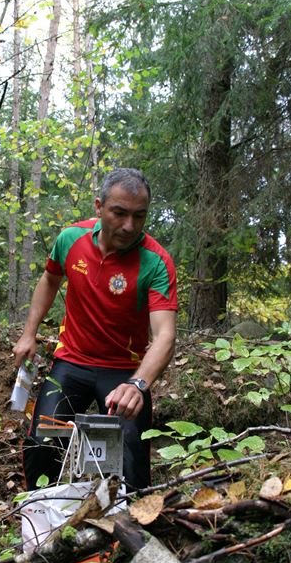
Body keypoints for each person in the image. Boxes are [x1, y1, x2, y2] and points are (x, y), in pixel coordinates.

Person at [13, 168, 177, 491]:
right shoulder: (70, 239)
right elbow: (49, 278)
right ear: (99, 207)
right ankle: (40, 524)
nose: (129, 226)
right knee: (42, 441)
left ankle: (129, 530)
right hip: (71, 361)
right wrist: (28, 332)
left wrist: (138, 384)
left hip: (124, 371)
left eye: (139, 216)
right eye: (119, 213)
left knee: (131, 455)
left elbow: (165, 336)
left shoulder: (156, 261)